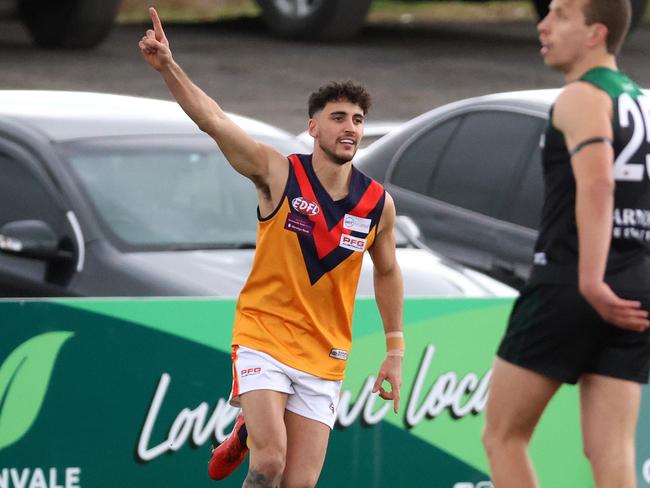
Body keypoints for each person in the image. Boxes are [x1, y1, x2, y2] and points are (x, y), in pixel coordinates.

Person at [139, 8, 404, 488]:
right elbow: (214, 120)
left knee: (298, 484)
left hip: (326, 353)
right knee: (269, 466)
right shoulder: (278, 173)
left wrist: (395, 350)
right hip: (264, 335)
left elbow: (387, 272)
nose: (350, 127)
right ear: (313, 128)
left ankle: (244, 430)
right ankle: (254, 434)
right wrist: (168, 67)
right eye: (338, 117)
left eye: (359, 120)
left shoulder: (376, 204)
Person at [483, 0, 650, 486]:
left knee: (503, 436)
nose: (543, 24)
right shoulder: (638, 100)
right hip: (636, 284)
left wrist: (590, 280)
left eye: (559, 14)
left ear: (596, 33)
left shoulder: (581, 96)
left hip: (573, 281)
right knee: (611, 449)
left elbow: (598, 185)